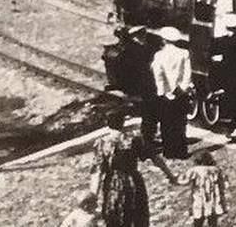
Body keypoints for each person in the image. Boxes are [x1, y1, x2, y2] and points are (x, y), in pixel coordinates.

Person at [89, 111, 178, 227]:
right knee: (138, 217)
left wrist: (93, 197)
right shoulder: (134, 140)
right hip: (134, 182)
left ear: (108, 123)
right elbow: (156, 158)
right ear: (123, 122)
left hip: (113, 185)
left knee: (115, 217)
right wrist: (170, 176)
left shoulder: (101, 143)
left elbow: (97, 172)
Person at [151, 26, 192, 159]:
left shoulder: (159, 55)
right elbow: (188, 74)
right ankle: (181, 151)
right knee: (180, 123)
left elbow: (159, 75)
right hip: (180, 93)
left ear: (163, 40)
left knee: (166, 124)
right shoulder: (184, 53)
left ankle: (169, 151)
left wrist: (163, 92)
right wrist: (182, 89)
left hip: (166, 94)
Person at [177, 150, 228, 227]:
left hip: (199, 197)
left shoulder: (194, 170)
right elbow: (223, 183)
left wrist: (176, 179)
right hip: (213, 198)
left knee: (198, 217)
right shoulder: (216, 170)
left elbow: (185, 181)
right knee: (213, 217)